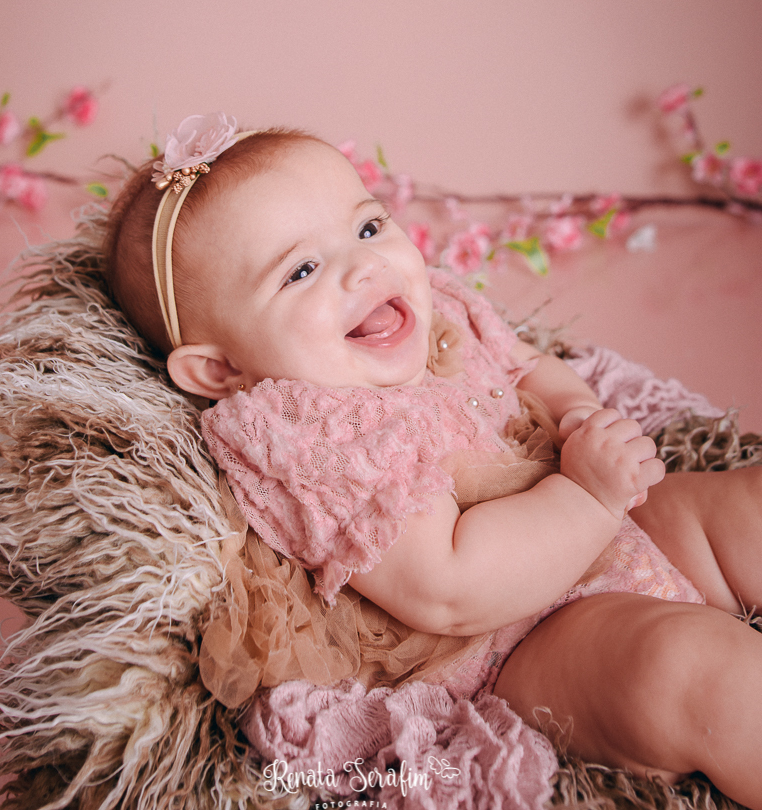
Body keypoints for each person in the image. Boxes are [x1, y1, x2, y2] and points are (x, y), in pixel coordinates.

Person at [106, 114, 762, 808]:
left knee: (743, 509)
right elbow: (449, 587)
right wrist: (592, 496)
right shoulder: (303, 433)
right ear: (219, 369)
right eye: (301, 270)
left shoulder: (435, 306)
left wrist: (576, 416)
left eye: (366, 228)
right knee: (688, 669)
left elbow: (529, 364)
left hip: (609, 526)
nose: (364, 266)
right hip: (518, 637)